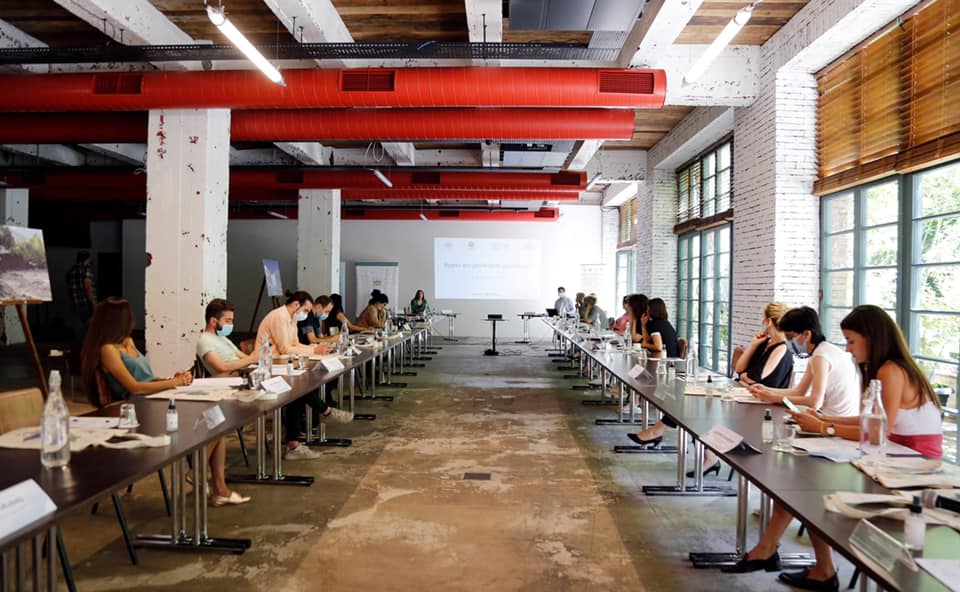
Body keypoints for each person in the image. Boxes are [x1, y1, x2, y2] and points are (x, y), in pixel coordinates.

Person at [724, 306, 943, 591]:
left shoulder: (890, 370)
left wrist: (824, 427)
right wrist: (823, 420)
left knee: (810, 486)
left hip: (910, 470)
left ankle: (795, 559)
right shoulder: (884, 368)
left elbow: (879, 430)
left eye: (851, 341)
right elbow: (868, 421)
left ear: (872, 338)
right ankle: (791, 557)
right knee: (804, 482)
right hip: (893, 460)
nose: (848, 349)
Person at [82, 298, 249, 507]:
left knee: (216, 419)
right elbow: (134, 387)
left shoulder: (128, 343)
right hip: (138, 409)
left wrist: (172, 379)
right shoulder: (108, 350)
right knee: (212, 420)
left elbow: (148, 379)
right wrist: (173, 383)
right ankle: (202, 476)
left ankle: (217, 487)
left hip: (154, 398)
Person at [256, 290, 352, 460]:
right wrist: (314, 350)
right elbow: (285, 348)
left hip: (282, 363)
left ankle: (295, 442)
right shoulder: (279, 317)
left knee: (299, 393)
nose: (307, 314)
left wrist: (317, 350)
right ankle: (325, 411)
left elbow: (295, 344)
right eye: (306, 310)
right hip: (270, 365)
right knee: (299, 390)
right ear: (296, 305)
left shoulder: (291, 319)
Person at [747, 306, 860, 418]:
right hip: (830, 416)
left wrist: (774, 398)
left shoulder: (820, 357)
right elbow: (799, 391)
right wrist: (765, 389)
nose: (788, 341)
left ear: (807, 334)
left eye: (791, 337)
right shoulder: (821, 351)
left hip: (832, 420)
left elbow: (815, 402)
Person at [734, 302, 794, 388]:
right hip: (748, 392)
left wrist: (742, 376)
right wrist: (753, 345)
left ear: (768, 321)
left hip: (762, 396)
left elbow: (752, 378)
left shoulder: (781, 349)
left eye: (764, 318)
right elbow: (738, 369)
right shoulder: (764, 343)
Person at [197, 298, 258, 376]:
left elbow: (243, 357)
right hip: (231, 378)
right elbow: (222, 367)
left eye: (232, 321)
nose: (231, 324)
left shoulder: (222, 338)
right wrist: (251, 359)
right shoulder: (204, 341)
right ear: (213, 321)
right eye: (228, 321)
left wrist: (255, 358)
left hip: (243, 373)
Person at [66, 250, 96, 342]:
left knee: (77, 327)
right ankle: (86, 346)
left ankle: (79, 346)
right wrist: (94, 304)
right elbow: (88, 289)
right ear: (86, 259)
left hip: (74, 303)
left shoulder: (70, 271)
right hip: (84, 303)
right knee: (89, 325)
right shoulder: (85, 271)